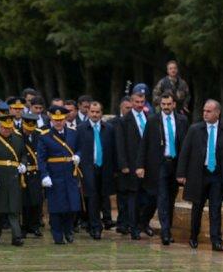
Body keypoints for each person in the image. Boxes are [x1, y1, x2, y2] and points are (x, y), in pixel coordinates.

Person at [176, 100, 223, 251]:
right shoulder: (195, 129)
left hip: (217, 175)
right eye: (204, 110)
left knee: (215, 208)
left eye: (209, 111)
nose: (205, 113)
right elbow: (185, 152)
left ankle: (216, 240)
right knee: (197, 206)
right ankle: (193, 236)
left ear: (217, 113)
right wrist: (181, 173)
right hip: (199, 174)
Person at [136, 92, 188, 245]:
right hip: (159, 164)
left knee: (171, 197)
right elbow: (144, 144)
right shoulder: (153, 121)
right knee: (162, 197)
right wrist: (140, 165)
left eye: (168, 104)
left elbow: (186, 145)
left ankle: (148, 223)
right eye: (163, 104)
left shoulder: (182, 120)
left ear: (174, 104)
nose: (166, 107)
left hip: (176, 164)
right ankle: (165, 232)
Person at [37, 106, 82, 244]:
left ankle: (68, 231)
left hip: (69, 174)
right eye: (55, 120)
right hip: (54, 176)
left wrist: (78, 156)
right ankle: (57, 235)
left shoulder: (73, 134)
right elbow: (41, 158)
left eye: (61, 120)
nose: (58, 122)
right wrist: (44, 175)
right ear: (51, 119)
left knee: (71, 206)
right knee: (56, 208)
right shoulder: (45, 136)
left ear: (65, 119)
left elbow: (80, 148)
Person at [0, 115, 26, 246]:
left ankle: (16, 237)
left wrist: (23, 164)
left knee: (14, 209)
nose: (7, 130)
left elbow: (23, 154)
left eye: (9, 128)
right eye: (4, 128)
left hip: (13, 177)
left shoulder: (18, 138)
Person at [75, 102, 115, 239]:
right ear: (88, 112)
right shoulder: (80, 129)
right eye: (92, 112)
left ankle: (100, 222)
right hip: (88, 168)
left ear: (101, 113)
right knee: (92, 198)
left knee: (103, 196)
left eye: (97, 112)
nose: (95, 114)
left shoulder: (109, 128)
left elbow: (113, 149)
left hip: (105, 168)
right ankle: (95, 226)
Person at [115, 88, 147, 239]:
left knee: (147, 197)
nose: (140, 105)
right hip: (131, 165)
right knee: (133, 197)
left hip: (147, 166)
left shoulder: (150, 117)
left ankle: (143, 224)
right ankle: (133, 228)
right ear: (132, 102)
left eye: (142, 102)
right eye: (137, 102)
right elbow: (120, 144)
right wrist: (124, 165)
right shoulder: (124, 121)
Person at [19, 112, 44, 237]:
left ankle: (35, 226)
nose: (28, 131)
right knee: (24, 202)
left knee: (37, 201)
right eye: (26, 128)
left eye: (31, 128)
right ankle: (24, 227)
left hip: (36, 172)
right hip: (23, 173)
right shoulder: (17, 135)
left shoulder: (39, 134)